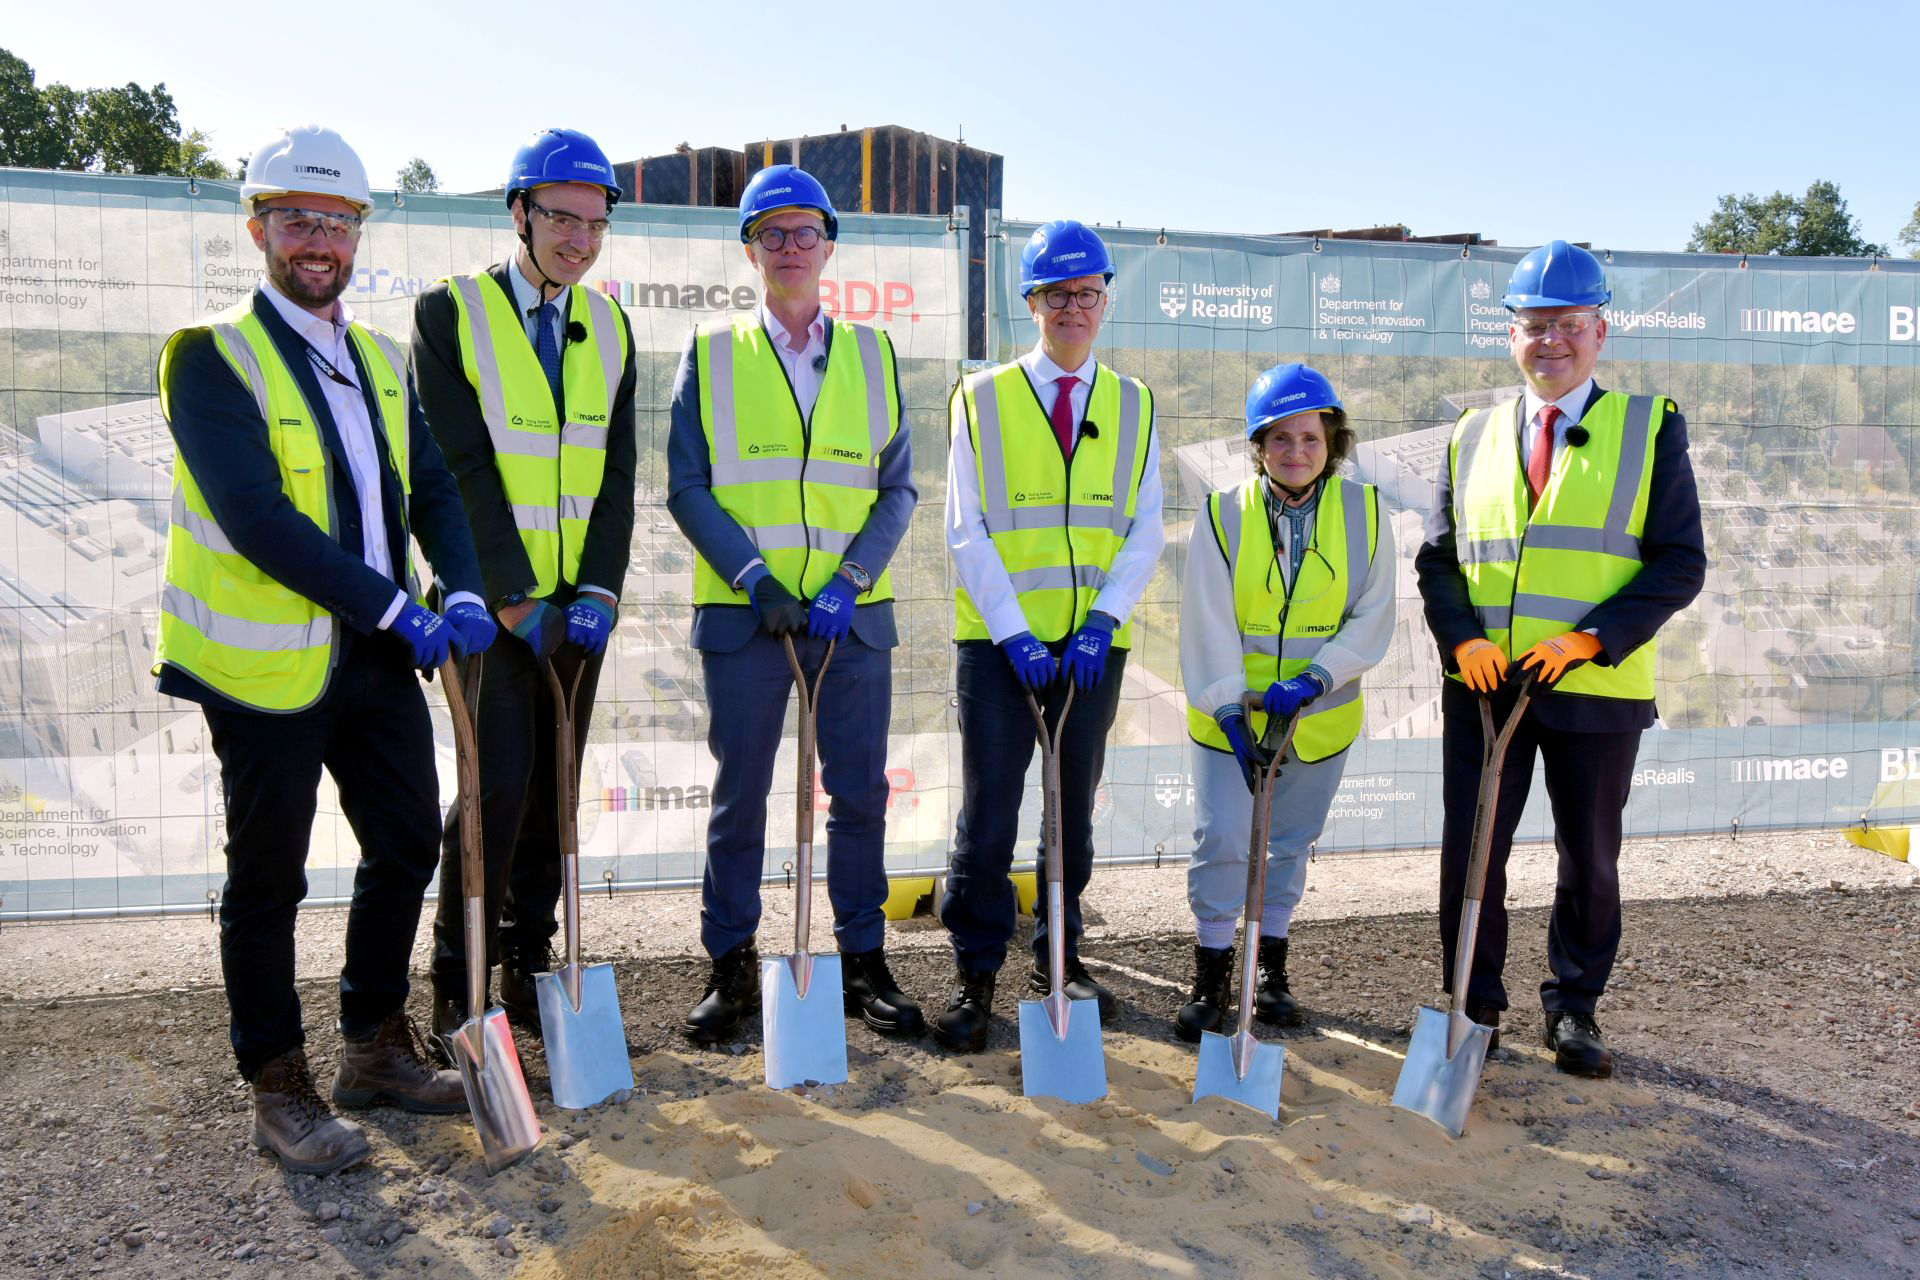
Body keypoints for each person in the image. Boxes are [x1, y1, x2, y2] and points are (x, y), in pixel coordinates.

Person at [154, 125, 492, 1173]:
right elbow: (259, 519)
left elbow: (428, 483)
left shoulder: (378, 360)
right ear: (258, 227)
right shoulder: (212, 356)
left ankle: (372, 1044)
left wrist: (466, 580)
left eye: (337, 222)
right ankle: (276, 1083)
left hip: (377, 663)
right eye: (297, 218)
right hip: (267, 670)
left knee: (405, 842)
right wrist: (400, 609)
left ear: (358, 236)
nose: (318, 241)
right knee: (270, 878)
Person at [1414, 241, 1705, 1078]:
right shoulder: (1469, 436)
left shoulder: (1649, 428)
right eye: (1535, 325)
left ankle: (1574, 1006)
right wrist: (1462, 638)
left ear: (1599, 332)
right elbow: (1439, 558)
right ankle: (1473, 1004)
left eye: (1568, 326)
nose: (1551, 341)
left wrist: (1590, 639)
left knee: (1589, 855)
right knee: (1473, 855)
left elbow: (1679, 562)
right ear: (1511, 335)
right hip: (1483, 689)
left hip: (1596, 690)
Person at [665, 164, 922, 1044]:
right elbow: (687, 487)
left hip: (851, 622)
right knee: (741, 796)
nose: (787, 247)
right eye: (769, 233)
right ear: (749, 249)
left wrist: (848, 583)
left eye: (803, 231)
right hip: (747, 620)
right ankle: (730, 964)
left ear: (828, 245)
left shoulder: (875, 354)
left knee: (858, 796)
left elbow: (898, 493)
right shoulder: (708, 354)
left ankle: (861, 962)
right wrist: (754, 577)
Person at [408, 128, 639, 1058]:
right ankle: (454, 985)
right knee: (492, 791)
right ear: (519, 213)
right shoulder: (450, 312)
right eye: (560, 218)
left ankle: (528, 967)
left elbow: (617, 475)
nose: (578, 241)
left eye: (595, 223)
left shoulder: (613, 326)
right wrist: (508, 596)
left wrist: (602, 593)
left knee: (556, 795)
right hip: (484, 608)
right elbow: (456, 463)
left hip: (575, 613)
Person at [933, 220, 1165, 1053]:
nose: (1075, 308)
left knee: (1072, 815)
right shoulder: (982, 398)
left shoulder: (1134, 404)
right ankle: (975, 971)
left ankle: (1059, 955)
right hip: (1000, 650)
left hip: (1093, 648)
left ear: (1105, 301)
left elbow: (1146, 527)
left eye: (1089, 293)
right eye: (1058, 294)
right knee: (988, 816)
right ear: (1029, 303)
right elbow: (965, 530)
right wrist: (1013, 633)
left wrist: (1104, 618)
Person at [1173, 364, 1395, 1041]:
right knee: (1225, 840)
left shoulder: (1367, 510)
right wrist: (1228, 710)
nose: (1296, 451)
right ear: (1258, 445)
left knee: (1288, 846)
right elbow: (1206, 620)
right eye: (1279, 439)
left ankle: (1270, 971)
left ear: (1333, 441)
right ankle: (1212, 973)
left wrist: (1315, 679)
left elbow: (1373, 614)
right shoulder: (1221, 514)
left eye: (1310, 437)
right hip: (1231, 721)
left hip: (1318, 720)